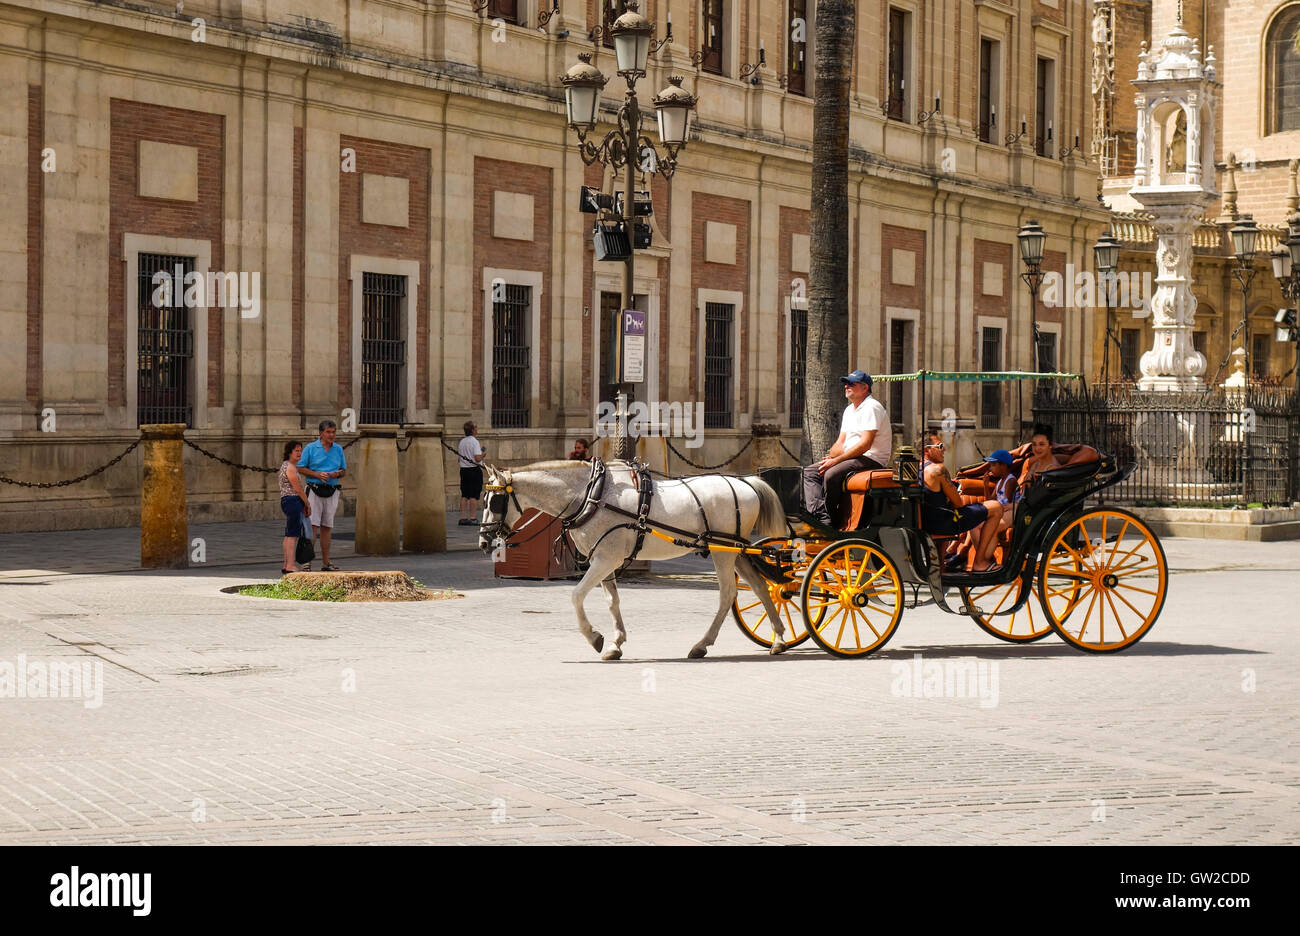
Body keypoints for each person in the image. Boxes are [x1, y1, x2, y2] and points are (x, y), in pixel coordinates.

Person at [802, 369, 892, 530]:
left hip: (871, 458)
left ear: (865, 388)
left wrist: (835, 462)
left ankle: (831, 522)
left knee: (831, 474)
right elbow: (840, 443)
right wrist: (829, 458)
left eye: (851, 383)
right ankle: (818, 514)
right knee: (809, 472)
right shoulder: (849, 410)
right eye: (845, 383)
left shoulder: (872, 407)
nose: (846, 386)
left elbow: (865, 445)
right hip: (852, 458)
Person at [919, 431, 1003, 572]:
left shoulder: (917, 468)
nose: (944, 449)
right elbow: (958, 503)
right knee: (995, 507)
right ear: (926, 450)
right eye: (939, 446)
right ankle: (980, 561)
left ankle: (942, 565)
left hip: (927, 521)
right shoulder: (938, 470)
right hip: (946, 522)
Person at [951, 449, 1018, 570]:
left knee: (984, 525)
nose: (990, 468)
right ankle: (983, 557)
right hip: (998, 511)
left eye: (993, 465)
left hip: (1006, 513)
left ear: (1002, 465)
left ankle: (983, 557)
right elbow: (990, 501)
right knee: (973, 524)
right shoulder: (999, 482)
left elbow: (1005, 502)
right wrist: (986, 486)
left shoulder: (1010, 480)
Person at [297, 419, 347, 571]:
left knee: (327, 526)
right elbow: (300, 467)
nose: (331, 435)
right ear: (321, 433)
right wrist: (317, 474)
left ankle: (326, 562)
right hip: (314, 489)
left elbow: (343, 470)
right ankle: (307, 562)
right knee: (312, 526)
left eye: (333, 432)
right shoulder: (311, 448)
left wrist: (336, 474)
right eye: (328, 432)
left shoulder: (338, 449)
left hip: (332, 489)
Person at [278, 440, 311, 575]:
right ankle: (290, 564)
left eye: (300, 450)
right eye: (296, 450)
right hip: (292, 500)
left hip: (288, 501)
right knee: (293, 534)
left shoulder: (287, 466)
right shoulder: (290, 467)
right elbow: (297, 488)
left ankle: (287, 563)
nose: (299, 453)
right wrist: (307, 503)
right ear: (289, 452)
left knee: (289, 534)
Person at [458, 421, 486, 526]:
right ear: (473, 430)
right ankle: (473, 517)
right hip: (474, 470)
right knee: (474, 495)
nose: (477, 430)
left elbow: (459, 458)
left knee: (464, 494)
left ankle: (463, 518)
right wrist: (483, 454)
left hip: (463, 470)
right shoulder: (474, 442)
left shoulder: (462, 442)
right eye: (476, 428)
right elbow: (477, 458)